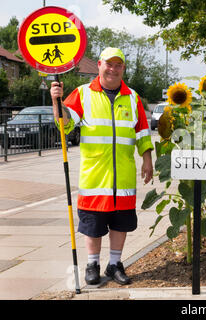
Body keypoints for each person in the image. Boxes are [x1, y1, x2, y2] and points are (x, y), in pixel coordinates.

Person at [50, 47, 154, 286]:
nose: (113, 69)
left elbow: (142, 132)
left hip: (124, 177)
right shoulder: (82, 94)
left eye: (118, 65)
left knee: (121, 223)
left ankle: (115, 263)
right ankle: (93, 264)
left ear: (123, 69)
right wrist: (56, 100)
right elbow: (64, 125)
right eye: (109, 64)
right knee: (93, 225)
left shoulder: (133, 97)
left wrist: (147, 158)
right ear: (99, 65)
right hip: (95, 177)